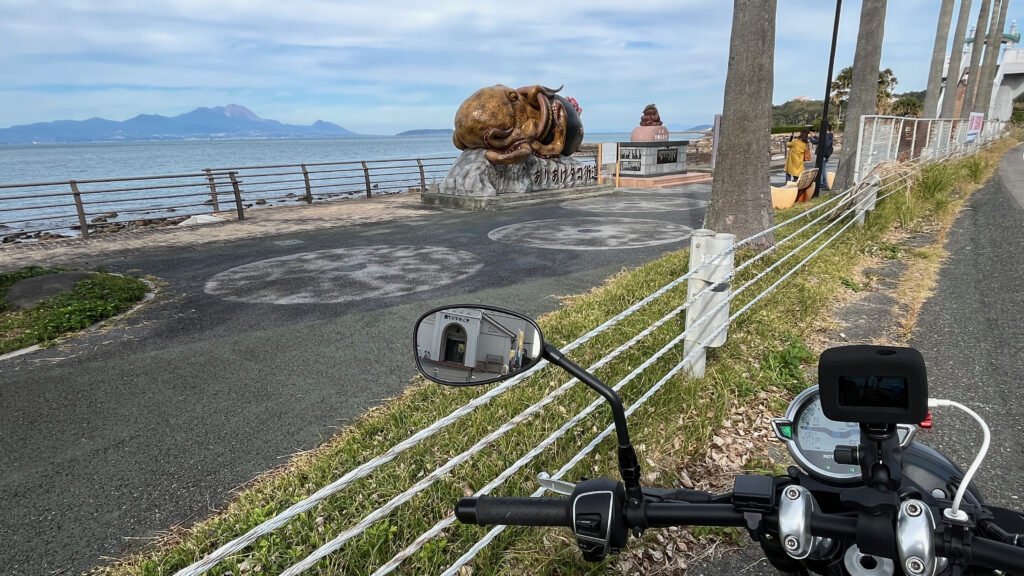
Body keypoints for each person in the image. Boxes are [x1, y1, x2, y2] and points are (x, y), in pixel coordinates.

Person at [809, 124, 835, 193]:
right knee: (823, 169)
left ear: (826, 129)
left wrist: (810, 137)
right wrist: (814, 136)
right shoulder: (830, 135)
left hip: (822, 155)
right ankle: (823, 183)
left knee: (821, 169)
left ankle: (823, 183)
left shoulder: (825, 136)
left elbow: (815, 142)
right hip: (826, 155)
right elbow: (820, 140)